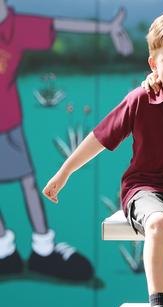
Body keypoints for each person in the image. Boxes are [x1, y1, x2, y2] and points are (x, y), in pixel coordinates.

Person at [42, 12, 163, 307]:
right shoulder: (141, 99)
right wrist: (64, 172)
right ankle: (157, 306)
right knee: (158, 223)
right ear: (154, 63)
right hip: (145, 188)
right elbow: (100, 137)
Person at [0, 0, 132, 281]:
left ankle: (43, 250)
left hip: (7, 122)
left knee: (27, 182)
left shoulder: (16, 27)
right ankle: (5, 252)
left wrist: (107, 27)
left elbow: (61, 24)